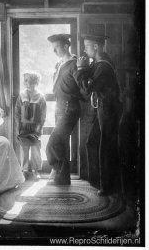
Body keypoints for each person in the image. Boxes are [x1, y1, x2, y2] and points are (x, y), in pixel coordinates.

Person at [74, 34, 122, 196]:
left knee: (106, 147)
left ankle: (107, 186)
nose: (84, 50)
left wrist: (80, 69)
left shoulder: (103, 66)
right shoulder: (100, 63)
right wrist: (84, 69)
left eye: (87, 46)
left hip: (108, 110)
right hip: (103, 109)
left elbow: (87, 90)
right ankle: (97, 182)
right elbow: (90, 80)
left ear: (95, 47)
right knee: (92, 143)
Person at [46, 34, 82, 185]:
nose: (54, 51)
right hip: (60, 106)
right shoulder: (60, 64)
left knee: (54, 142)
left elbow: (82, 86)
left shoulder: (74, 64)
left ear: (66, 46)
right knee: (62, 142)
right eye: (53, 49)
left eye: (57, 48)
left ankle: (56, 168)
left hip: (70, 107)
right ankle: (63, 178)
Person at [14, 71, 47, 180]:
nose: (25, 82)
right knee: (24, 148)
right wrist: (18, 126)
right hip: (23, 127)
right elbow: (17, 112)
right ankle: (25, 170)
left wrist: (39, 127)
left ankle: (35, 170)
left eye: (27, 80)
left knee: (35, 149)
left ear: (34, 82)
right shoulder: (22, 95)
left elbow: (43, 114)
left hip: (35, 127)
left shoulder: (40, 96)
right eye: (25, 80)